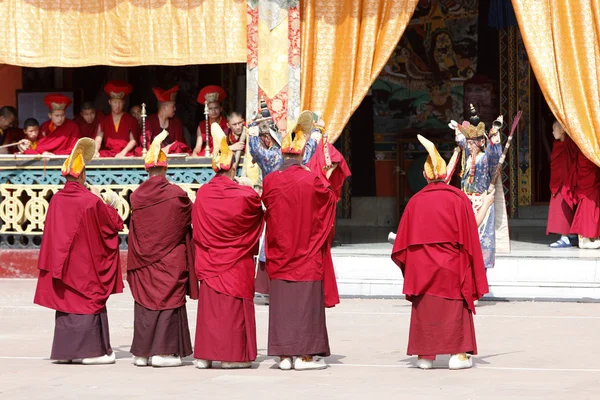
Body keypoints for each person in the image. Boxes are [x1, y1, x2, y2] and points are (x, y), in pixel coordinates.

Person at [391, 134, 488, 370]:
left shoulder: (415, 201)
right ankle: (458, 355)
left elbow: (401, 245)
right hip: (452, 267)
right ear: (446, 175)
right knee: (455, 307)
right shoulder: (459, 199)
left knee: (426, 308)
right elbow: (470, 237)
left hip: (423, 269)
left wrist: (413, 267)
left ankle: (425, 356)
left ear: (424, 176)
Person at [33, 137, 124, 364]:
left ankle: (65, 353)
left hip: (63, 269)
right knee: (87, 300)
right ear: (82, 174)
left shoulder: (55, 200)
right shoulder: (90, 201)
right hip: (85, 267)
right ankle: (91, 353)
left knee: (67, 303)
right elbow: (114, 225)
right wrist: (109, 204)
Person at [262, 111, 338, 371]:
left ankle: (284, 356)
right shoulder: (311, 180)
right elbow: (329, 201)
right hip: (306, 253)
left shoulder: (270, 181)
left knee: (283, 304)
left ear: (283, 154)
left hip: (280, 253)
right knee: (305, 304)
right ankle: (305, 356)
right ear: (302, 154)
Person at [192, 123, 264, 369]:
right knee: (232, 309)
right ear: (233, 168)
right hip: (236, 262)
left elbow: (197, 230)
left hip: (211, 261)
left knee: (211, 309)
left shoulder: (202, 194)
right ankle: (233, 357)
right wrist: (245, 187)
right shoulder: (244, 196)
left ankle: (205, 355)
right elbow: (258, 210)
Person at [127, 131, 198, 368]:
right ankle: (165, 353)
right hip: (170, 259)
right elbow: (190, 218)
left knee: (146, 302)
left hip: (144, 260)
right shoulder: (177, 194)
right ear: (166, 169)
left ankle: (142, 353)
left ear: (147, 169)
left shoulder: (136, 197)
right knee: (168, 300)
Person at [247, 102, 318, 300]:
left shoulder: (269, 158)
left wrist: (252, 128)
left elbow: (254, 148)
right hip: (297, 208)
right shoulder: (300, 158)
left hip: (277, 209)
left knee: (273, 239)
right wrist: (316, 129)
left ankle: (270, 288)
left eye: (265, 137)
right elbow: (312, 145)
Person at [306, 120, 351, 307]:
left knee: (321, 245)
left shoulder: (325, 148)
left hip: (322, 199)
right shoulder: (303, 148)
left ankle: (321, 291)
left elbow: (337, 163)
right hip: (308, 199)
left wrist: (326, 179)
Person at [454, 105, 502, 269]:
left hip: (482, 201)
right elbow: (460, 140)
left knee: (482, 239)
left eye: (472, 143)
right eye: (468, 142)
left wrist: (494, 135)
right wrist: (458, 128)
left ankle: (482, 276)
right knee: (465, 238)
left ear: (481, 142)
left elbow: (495, 154)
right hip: (466, 200)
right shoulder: (467, 155)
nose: (469, 145)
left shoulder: (486, 158)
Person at [547, 121, 577, 248]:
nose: (553, 132)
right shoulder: (558, 145)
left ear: (563, 130)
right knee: (558, 209)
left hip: (566, 183)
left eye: (555, 129)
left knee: (563, 209)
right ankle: (569, 235)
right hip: (558, 182)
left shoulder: (569, 145)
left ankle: (565, 237)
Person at [569, 131, 600, 248]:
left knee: (592, 208)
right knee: (589, 207)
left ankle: (591, 236)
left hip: (592, 180)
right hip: (589, 181)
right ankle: (584, 237)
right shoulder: (586, 147)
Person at [95, 80, 141, 157]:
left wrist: (123, 153)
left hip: (126, 153)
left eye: (120, 102)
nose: (117, 106)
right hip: (109, 153)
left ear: (124, 102)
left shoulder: (130, 120)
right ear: (109, 102)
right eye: (115, 102)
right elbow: (98, 138)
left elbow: (133, 140)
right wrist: (95, 150)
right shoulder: (104, 120)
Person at [145, 85, 191, 154]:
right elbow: (146, 147)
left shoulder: (176, 123)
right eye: (173, 106)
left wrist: (168, 148)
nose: (175, 109)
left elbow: (180, 146)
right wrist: (166, 149)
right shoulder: (149, 122)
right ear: (164, 108)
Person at [192, 85, 228, 157]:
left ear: (221, 109)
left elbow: (225, 144)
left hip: (221, 152)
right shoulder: (202, 126)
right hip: (206, 153)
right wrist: (194, 153)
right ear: (206, 110)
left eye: (216, 108)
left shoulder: (226, 123)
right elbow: (198, 146)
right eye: (210, 109)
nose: (213, 111)